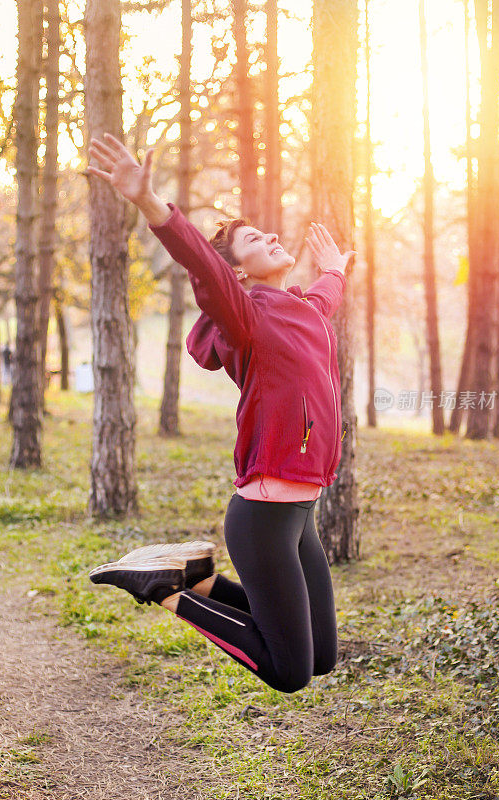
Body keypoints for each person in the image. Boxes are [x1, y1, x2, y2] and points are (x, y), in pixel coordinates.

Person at [87, 133, 355, 694]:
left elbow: (324, 300)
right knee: (289, 673)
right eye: (255, 239)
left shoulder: (303, 309)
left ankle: (199, 579)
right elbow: (203, 265)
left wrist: (335, 271)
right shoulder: (247, 313)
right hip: (261, 518)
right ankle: (164, 591)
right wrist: (149, 203)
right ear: (239, 272)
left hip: (300, 512)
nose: (273, 236)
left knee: (322, 656)